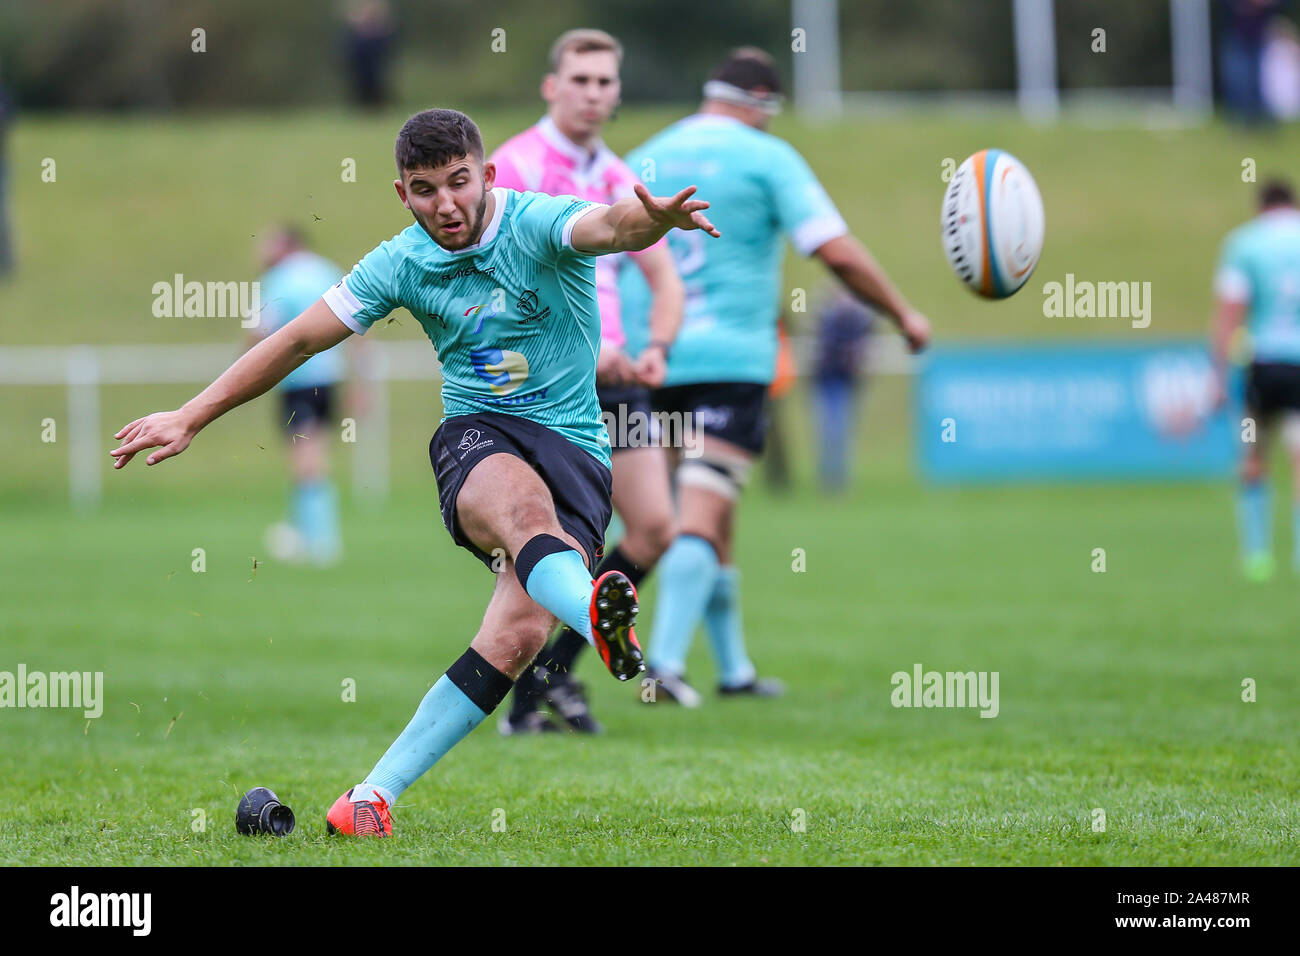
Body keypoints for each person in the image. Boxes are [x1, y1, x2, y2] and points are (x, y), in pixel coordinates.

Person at [109, 107, 719, 837]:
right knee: (524, 516)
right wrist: (192, 414)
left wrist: (651, 222)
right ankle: (594, 617)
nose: (446, 204)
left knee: (516, 638)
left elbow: (611, 228)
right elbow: (300, 337)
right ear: (403, 194)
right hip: (479, 438)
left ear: (487, 175)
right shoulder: (399, 262)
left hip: (577, 452)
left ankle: (368, 799)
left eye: (459, 183)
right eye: (425, 190)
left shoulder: (535, 222)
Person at [620, 48, 930, 707]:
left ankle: (733, 670)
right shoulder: (768, 158)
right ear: (762, 103)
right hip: (730, 360)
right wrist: (900, 311)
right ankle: (666, 667)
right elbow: (832, 247)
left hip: (652, 354)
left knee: (709, 513)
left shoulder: (644, 155)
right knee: (701, 509)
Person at [489, 28, 684, 735]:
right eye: (581, 79)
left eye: (606, 81)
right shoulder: (514, 164)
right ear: (552, 86)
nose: (594, 92)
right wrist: (576, 349)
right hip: (546, 383)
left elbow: (665, 280)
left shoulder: (618, 174)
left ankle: (553, 674)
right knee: (562, 548)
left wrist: (656, 346)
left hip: (619, 383)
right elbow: (495, 281)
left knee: (657, 526)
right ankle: (524, 696)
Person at [245, 226, 355, 565]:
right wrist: (358, 382)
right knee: (314, 456)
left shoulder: (279, 279)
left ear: (285, 245)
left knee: (305, 462)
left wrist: (241, 375)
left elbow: (258, 331)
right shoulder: (327, 270)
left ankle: (319, 540)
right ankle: (309, 534)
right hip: (330, 378)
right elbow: (356, 323)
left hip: (297, 380)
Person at [1211, 177, 1300, 581]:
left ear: (1260, 206)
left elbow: (1231, 312)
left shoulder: (1245, 243)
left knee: (1251, 453)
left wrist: (1217, 376)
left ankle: (1257, 557)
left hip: (1261, 368)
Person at [812, 292, 875, 492]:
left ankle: (835, 478)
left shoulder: (859, 318)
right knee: (832, 428)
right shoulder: (830, 316)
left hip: (845, 380)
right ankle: (831, 478)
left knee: (837, 429)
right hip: (828, 379)